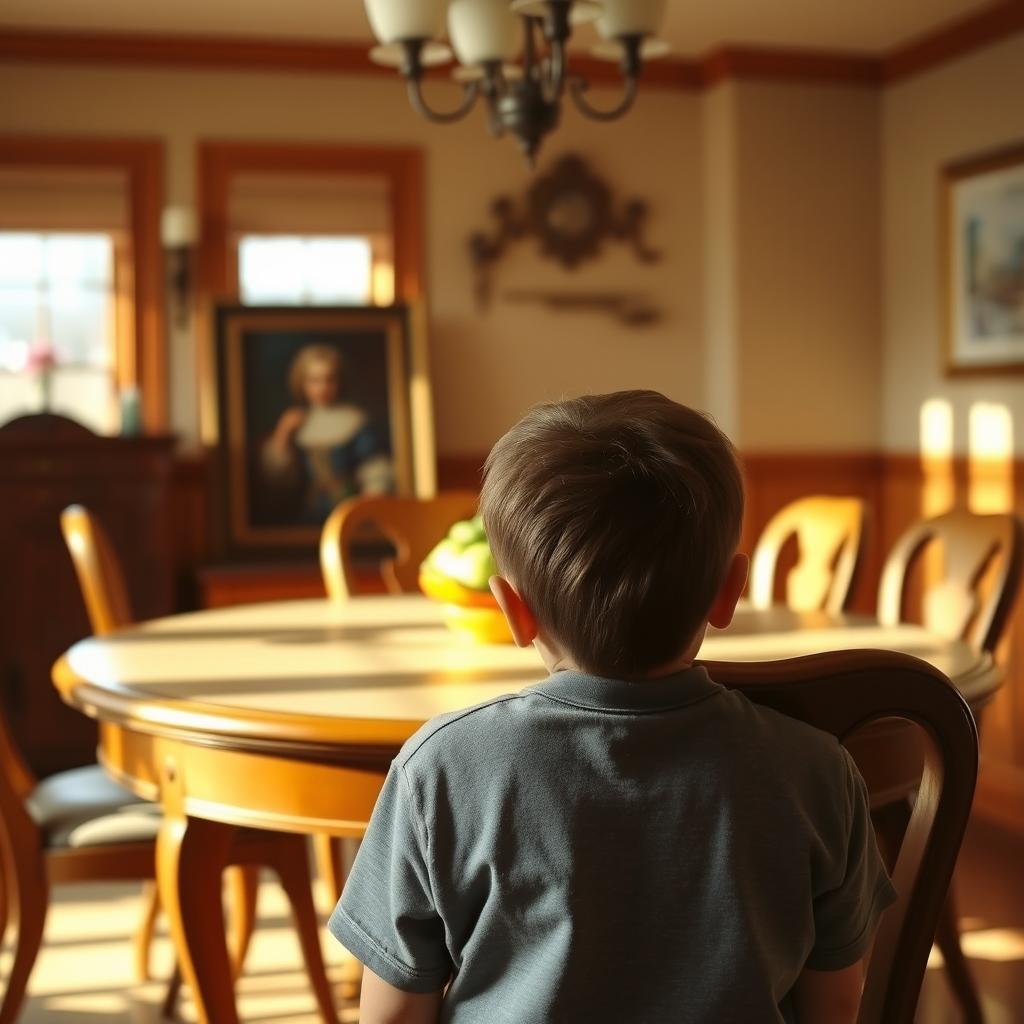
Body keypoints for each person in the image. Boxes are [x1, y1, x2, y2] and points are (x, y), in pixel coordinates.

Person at [329, 390, 896, 1023]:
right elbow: (836, 1010)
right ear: (729, 593)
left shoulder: (440, 772)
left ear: (512, 610)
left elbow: (392, 1017)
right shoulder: (818, 770)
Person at [261, 344, 392, 523]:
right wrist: (283, 433)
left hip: (348, 507)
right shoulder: (296, 421)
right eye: (314, 380)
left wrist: (370, 497)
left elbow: (374, 465)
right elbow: (278, 478)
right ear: (302, 383)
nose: (323, 387)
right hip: (312, 509)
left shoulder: (355, 421)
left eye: (329, 379)